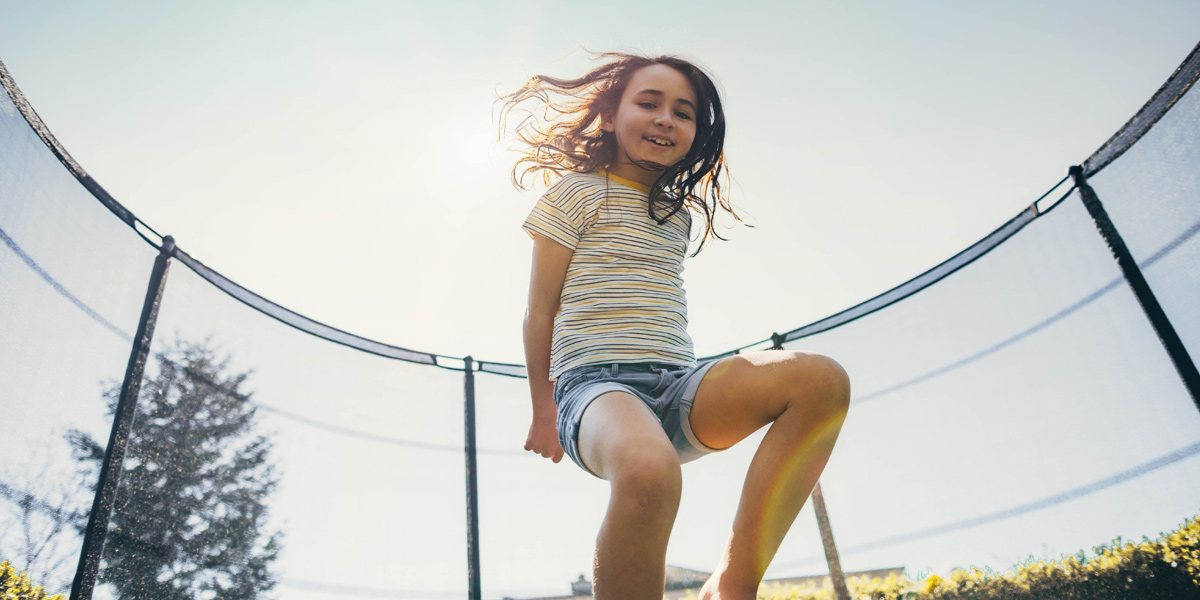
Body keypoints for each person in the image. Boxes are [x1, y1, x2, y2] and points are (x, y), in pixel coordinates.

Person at [500, 52, 851, 600]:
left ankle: (731, 585)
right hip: (595, 388)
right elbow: (539, 309)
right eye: (649, 103)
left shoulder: (675, 216)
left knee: (821, 380)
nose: (666, 118)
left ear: (694, 135)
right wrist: (543, 409)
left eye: (683, 112)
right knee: (648, 471)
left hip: (676, 385)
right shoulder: (575, 192)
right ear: (611, 117)